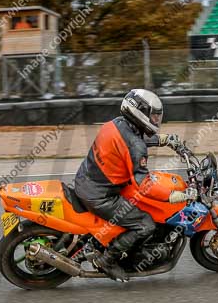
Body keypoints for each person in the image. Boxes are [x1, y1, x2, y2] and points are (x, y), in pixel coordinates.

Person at [73, 89, 192, 282]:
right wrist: (174, 196)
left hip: (88, 181)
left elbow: (133, 138)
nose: (155, 120)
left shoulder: (116, 124)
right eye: (153, 116)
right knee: (145, 224)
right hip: (101, 196)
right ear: (140, 114)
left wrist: (164, 140)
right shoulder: (135, 145)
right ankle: (107, 261)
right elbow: (144, 183)